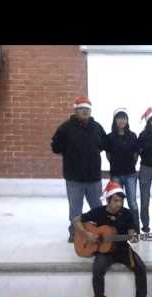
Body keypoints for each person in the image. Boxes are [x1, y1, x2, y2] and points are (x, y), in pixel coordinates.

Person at [72, 181, 147, 297]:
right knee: (97, 270)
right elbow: (76, 221)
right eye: (116, 201)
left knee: (141, 268)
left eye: (121, 201)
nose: (119, 204)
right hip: (104, 251)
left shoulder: (127, 213)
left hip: (122, 249)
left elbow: (132, 229)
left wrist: (132, 234)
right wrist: (87, 234)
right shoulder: (98, 212)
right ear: (108, 200)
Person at [51, 96, 107, 242]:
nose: (85, 111)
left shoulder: (97, 127)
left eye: (87, 109)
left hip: (93, 177)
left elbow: (103, 145)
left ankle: (98, 230)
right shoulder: (65, 128)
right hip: (74, 178)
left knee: (97, 207)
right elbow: (56, 147)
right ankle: (75, 232)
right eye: (82, 109)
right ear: (75, 110)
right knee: (75, 208)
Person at [106, 107, 141, 233]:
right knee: (116, 202)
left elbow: (136, 154)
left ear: (127, 120)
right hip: (116, 175)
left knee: (132, 203)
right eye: (119, 118)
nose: (122, 121)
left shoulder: (132, 136)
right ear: (115, 120)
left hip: (130, 174)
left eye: (124, 118)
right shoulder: (109, 137)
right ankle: (119, 228)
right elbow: (108, 155)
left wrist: (130, 164)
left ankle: (136, 229)